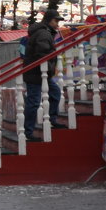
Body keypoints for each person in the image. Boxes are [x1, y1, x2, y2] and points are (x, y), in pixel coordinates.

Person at [23, 9, 64, 139]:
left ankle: (52, 119)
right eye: (55, 21)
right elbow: (42, 53)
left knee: (54, 92)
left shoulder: (43, 32)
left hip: (39, 73)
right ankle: (28, 132)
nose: (57, 24)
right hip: (37, 73)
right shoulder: (44, 34)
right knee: (34, 102)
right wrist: (51, 65)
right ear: (48, 21)